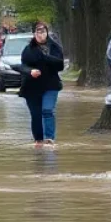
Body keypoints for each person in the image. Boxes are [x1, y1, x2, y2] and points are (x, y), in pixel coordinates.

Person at [19, 20, 64, 148]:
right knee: (36, 114)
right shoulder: (28, 50)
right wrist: (30, 71)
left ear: (47, 33)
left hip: (51, 85)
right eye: (37, 32)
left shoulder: (54, 47)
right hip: (32, 87)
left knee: (47, 110)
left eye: (43, 31)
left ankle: (49, 138)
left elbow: (60, 65)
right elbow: (23, 66)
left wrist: (44, 57)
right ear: (33, 34)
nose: (40, 35)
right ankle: (38, 140)